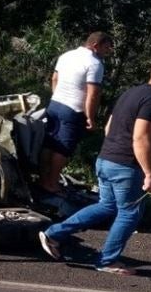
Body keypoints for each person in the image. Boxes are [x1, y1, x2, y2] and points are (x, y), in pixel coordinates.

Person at [38, 57, 151, 275]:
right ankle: (106, 261)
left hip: (106, 159)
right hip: (126, 165)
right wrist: (149, 173)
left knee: (107, 206)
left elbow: (109, 127)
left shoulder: (131, 93)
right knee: (130, 213)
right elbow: (141, 138)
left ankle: (54, 233)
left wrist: (114, 151)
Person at [38, 32, 114, 196]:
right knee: (64, 148)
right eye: (106, 48)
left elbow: (54, 79)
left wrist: (57, 95)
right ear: (95, 46)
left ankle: (43, 179)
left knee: (49, 143)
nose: (107, 52)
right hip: (73, 110)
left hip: (55, 104)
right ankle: (51, 183)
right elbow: (92, 94)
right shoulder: (95, 64)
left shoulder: (66, 55)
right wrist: (90, 117)